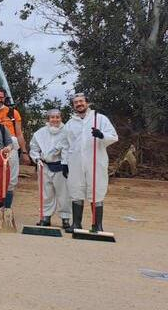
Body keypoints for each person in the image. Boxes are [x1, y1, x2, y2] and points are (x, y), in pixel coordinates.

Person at [63, 93, 118, 233]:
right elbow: (65, 144)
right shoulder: (70, 123)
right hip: (75, 162)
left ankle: (97, 225)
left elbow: (113, 137)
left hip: (95, 161)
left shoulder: (99, 119)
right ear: (73, 106)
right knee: (76, 189)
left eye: (81, 101)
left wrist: (101, 135)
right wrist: (64, 163)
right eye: (76, 102)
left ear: (87, 103)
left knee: (96, 190)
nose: (79, 104)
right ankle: (76, 224)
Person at [29, 109, 71, 229]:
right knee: (46, 193)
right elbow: (34, 148)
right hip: (45, 166)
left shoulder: (66, 132)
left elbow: (69, 148)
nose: (55, 120)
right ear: (48, 119)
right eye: (52, 117)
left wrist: (65, 163)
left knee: (64, 194)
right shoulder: (40, 133)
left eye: (57, 117)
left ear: (61, 118)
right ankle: (45, 216)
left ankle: (65, 218)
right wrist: (37, 159)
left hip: (61, 166)